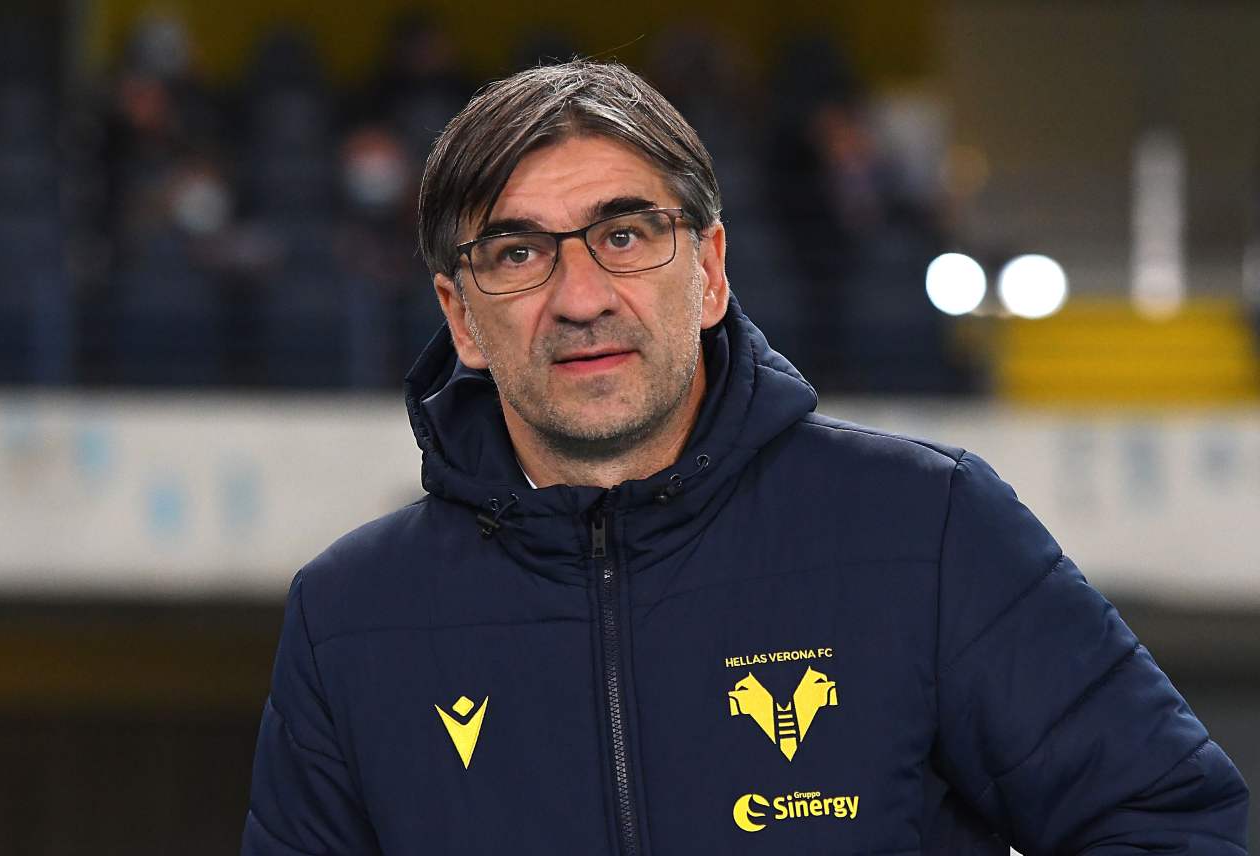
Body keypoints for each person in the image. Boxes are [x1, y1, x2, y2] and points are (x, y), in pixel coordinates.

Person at [242, 61, 1248, 854]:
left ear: (712, 271)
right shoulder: (350, 621)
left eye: (625, 235)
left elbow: (1164, 819)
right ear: (458, 315)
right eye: (517, 253)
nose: (581, 295)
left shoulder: (926, 528)